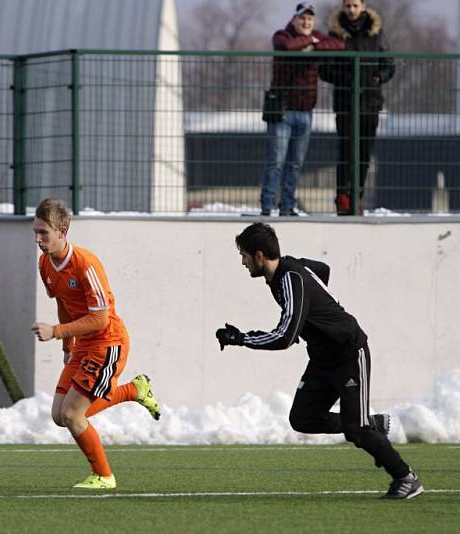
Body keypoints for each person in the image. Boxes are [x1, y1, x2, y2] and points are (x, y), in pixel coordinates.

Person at [215, 222, 423, 500]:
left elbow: (285, 337)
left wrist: (241, 338)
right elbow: (322, 269)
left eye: (244, 255)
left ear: (260, 256)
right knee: (303, 418)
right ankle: (370, 421)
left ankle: (406, 478)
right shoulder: (290, 270)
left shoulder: (291, 278)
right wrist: (317, 307)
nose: (242, 262)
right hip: (323, 359)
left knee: (356, 430)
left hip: (349, 353)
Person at [30, 196, 161, 489]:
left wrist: (57, 331)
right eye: (36, 232)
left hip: (107, 342)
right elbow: (63, 302)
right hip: (83, 344)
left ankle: (104, 475)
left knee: (73, 415)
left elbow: (100, 319)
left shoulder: (86, 265)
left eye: (44, 233)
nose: (38, 239)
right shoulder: (45, 264)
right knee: (59, 416)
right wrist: (67, 345)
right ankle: (133, 390)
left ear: (63, 231)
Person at [260, 2, 344, 217]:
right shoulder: (282, 35)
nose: (306, 22)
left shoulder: (316, 36)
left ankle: (287, 206)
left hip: (306, 112)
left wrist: (312, 45)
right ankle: (267, 206)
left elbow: (338, 44)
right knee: (275, 162)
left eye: (310, 19)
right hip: (282, 111)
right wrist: (310, 41)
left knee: (296, 163)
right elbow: (286, 46)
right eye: (302, 18)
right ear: (294, 20)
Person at [319, 0, 395, 215]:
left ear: (363, 6)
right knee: (346, 149)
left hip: (370, 101)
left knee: (363, 152)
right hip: (345, 101)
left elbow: (389, 64)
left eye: (355, 5)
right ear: (343, 7)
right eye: (347, 5)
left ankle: (357, 196)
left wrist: (378, 77)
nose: (351, 10)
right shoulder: (335, 34)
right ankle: (342, 197)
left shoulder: (376, 32)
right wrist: (348, 78)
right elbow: (324, 69)